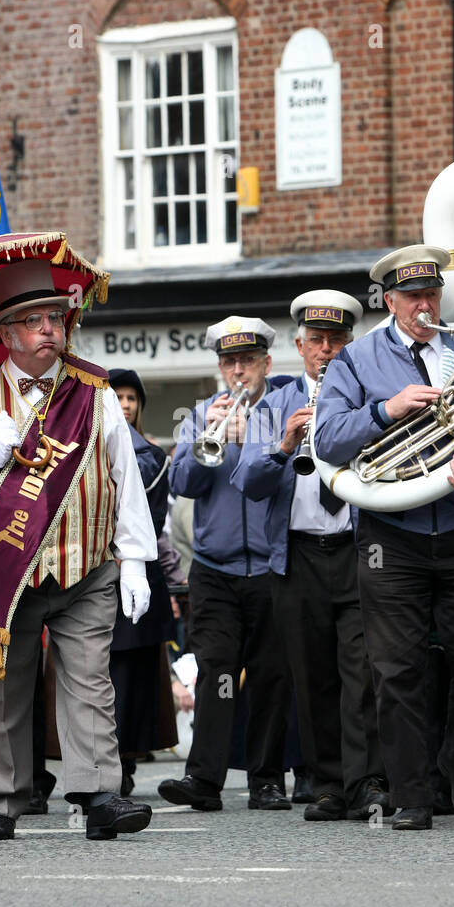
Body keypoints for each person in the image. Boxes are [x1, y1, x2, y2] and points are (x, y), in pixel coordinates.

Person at [0, 259, 157, 841]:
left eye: (54, 316)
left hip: (89, 565)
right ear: (5, 334)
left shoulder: (95, 394)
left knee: (89, 679)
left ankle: (100, 795)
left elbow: (124, 475)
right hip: (7, 576)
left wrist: (136, 560)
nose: (49, 328)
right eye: (32, 320)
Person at [313, 245, 454, 830]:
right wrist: (385, 410)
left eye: (432, 295)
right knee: (396, 668)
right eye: (413, 298)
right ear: (390, 300)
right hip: (392, 538)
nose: (425, 306)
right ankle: (411, 794)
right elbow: (327, 440)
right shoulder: (355, 361)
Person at [232, 291, 389, 823]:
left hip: (356, 549)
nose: (326, 350)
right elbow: (247, 484)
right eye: (316, 341)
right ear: (299, 346)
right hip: (297, 556)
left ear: (351, 345)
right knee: (312, 674)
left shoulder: (370, 396)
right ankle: (326, 785)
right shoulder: (272, 403)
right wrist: (283, 444)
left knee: (360, 672)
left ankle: (365, 781)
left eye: (337, 340)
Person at [158, 315, 292, 813]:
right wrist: (211, 438)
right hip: (214, 567)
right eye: (230, 362)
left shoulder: (282, 413)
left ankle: (267, 779)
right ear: (220, 367)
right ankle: (204, 779)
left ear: (266, 364)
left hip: (272, 564)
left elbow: (282, 480)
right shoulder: (198, 415)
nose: (239, 372)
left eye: (247, 362)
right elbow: (183, 483)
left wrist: (250, 437)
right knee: (215, 669)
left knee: (270, 675)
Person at [105, 368, 177, 798]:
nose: (126, 404)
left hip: (137, 572)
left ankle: (126, 761)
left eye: (132, 398)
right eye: (117, 397)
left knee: (131, 677)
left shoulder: (152, 454)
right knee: (96, 672)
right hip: (94, 571)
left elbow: (149, 517)